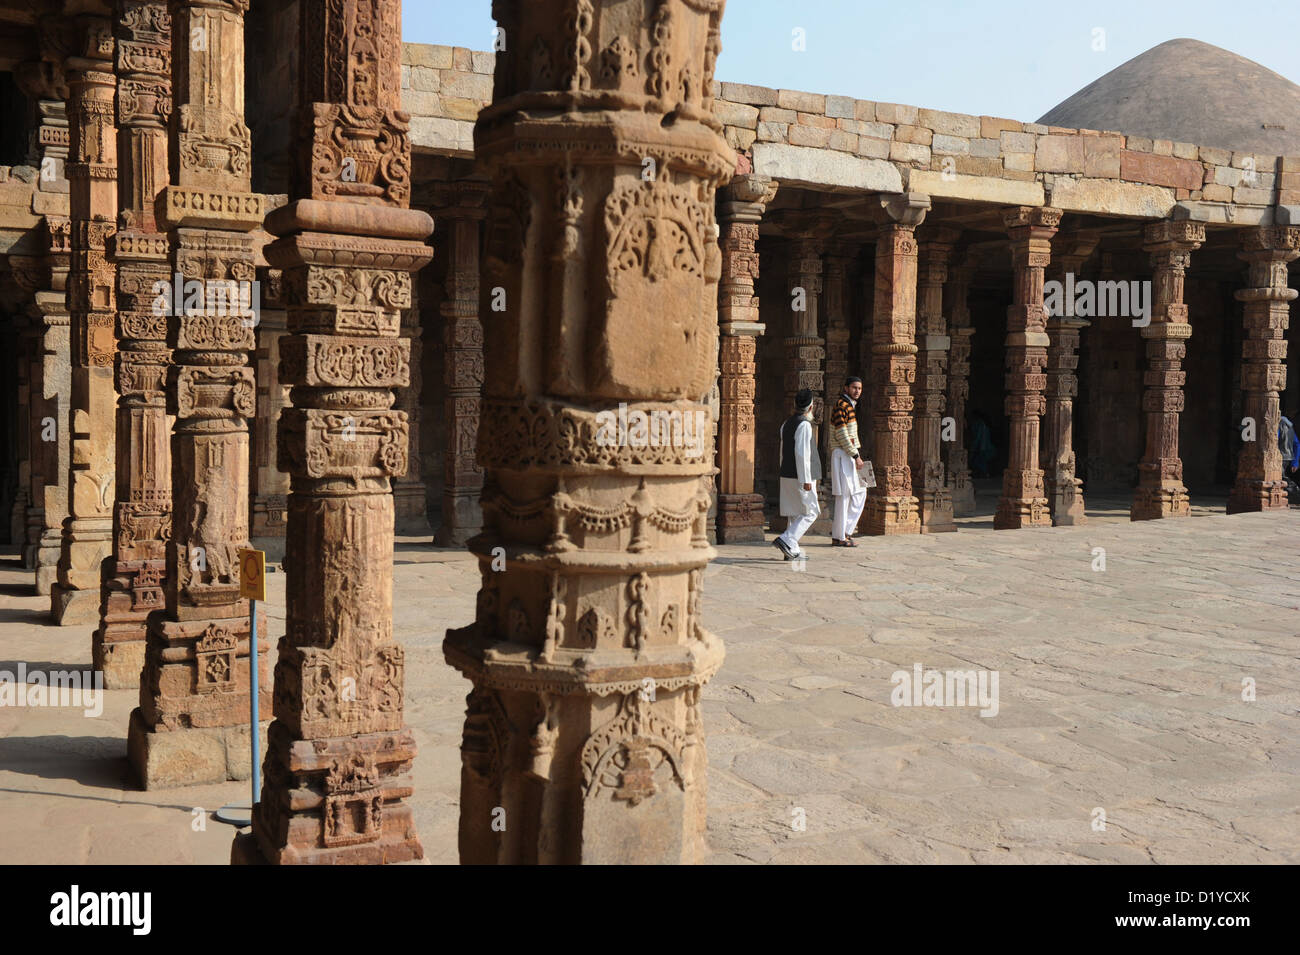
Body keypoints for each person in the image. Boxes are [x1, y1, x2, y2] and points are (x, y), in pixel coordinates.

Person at [773, 388, 821, 560]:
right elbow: (802, 454)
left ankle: (792, 550)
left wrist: (782, 470)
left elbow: (782, 452)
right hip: (800, 477)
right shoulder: (804, 425)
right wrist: (806, 480)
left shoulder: (786, 424)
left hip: (787, 473)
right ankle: (788, 539)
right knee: (811, 512)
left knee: (794, 513)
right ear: (810, 407)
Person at [828, 376, 867, 546]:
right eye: (854, 388)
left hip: (848, 454)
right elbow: (841, 434)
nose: (857, 391)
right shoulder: (841, 406)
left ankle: (844, 532)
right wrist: (856, 456)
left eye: (859, 388)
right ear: (846, 388)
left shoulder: (849, 406)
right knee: (844, 496)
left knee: (859, 493)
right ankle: (840, 536)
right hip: (843, 454)